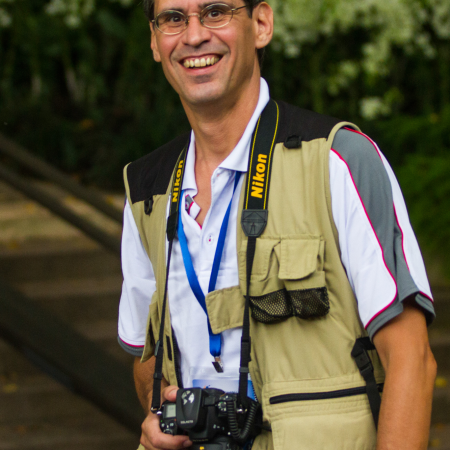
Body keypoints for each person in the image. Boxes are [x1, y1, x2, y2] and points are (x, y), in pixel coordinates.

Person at [117, 1, 437, 449]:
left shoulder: (338, 160)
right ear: (154, 41)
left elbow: (412, 360)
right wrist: (159, 415)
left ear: (262, 24)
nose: (193, 36)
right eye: (173, 18)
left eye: (215, 12)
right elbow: (144, 355)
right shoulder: (146, 191)